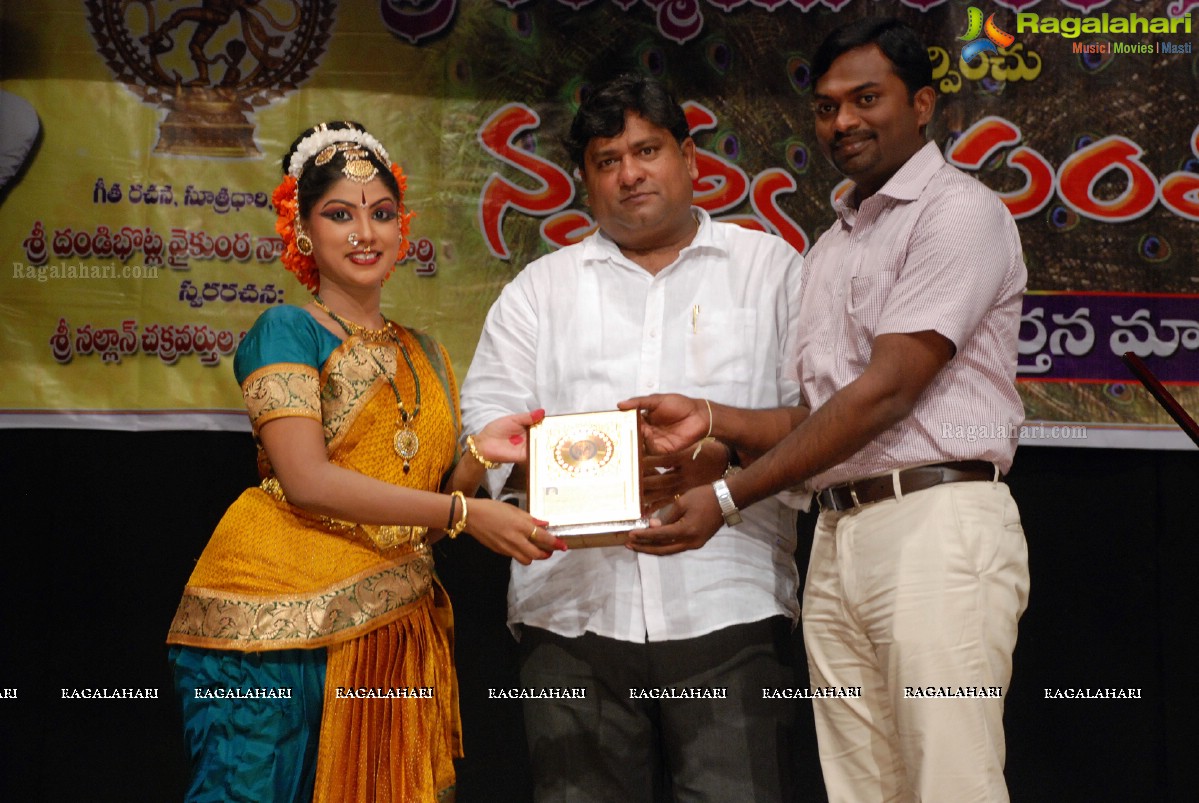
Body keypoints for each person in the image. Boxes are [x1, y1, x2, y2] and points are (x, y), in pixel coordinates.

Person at [621, 17, 1029, 803]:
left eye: (865, 98)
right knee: (862, 790)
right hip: (838, 535)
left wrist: (731, 495)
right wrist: (709, 418)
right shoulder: (831, 245)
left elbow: (887, 391)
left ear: (921, 105)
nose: (841, 121)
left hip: (935, 525)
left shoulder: (957, 212)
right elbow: (819, 416)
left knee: (950, 784)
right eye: (825, 106)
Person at [165, 120, 564, 803]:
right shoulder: (285, 331)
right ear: (302, 232)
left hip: (387, 629)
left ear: (401, 231)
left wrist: (473, 459)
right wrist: (465, 508)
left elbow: (419, 522)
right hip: (268, 635)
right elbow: (308, 480)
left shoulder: (427, 352)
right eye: (339, 215)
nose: (364, 232)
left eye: (381, 214)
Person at [460, 75, 807, 801]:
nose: (629, 173)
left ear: (688, 157)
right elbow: (488, 433)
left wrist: (719, 452)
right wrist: (533, 470)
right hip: (572, 613)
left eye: (647, 149)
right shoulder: (537, 290)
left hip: (728, 603)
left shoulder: (769, 270)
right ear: (584, 181)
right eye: (606, 159)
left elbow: (819, 419)